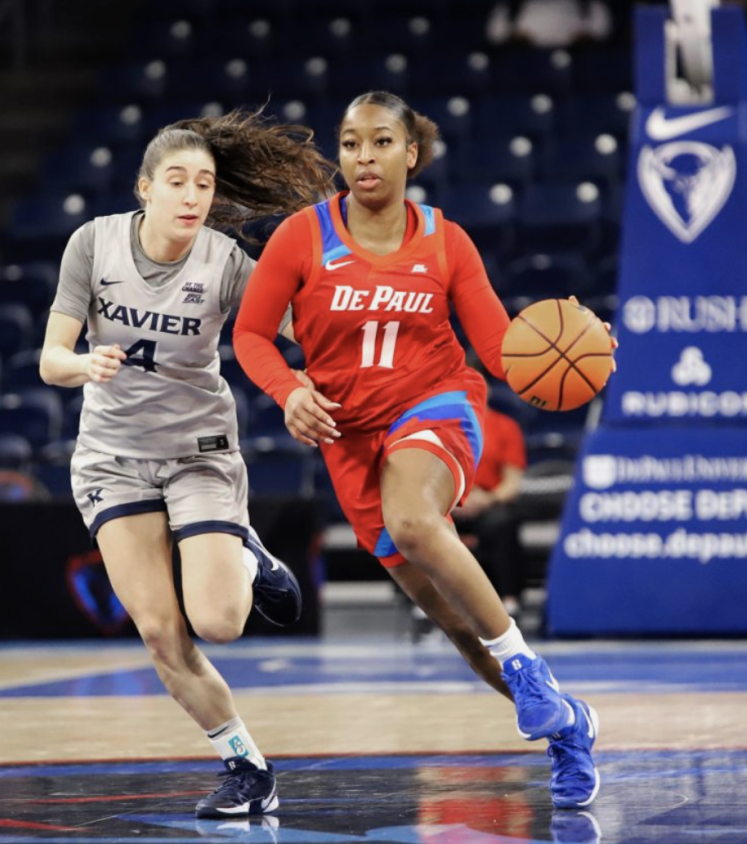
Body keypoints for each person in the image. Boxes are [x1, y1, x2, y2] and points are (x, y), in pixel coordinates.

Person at [233, 91, 610, 810]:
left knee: (413, 519)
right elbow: (251, 335)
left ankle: (528, 673)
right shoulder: (301, 237)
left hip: (434, 405)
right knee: (460, 630)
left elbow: (501, 352)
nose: (362, 157)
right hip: (350, 439)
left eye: (379, 143)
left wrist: (577, 341)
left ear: (411, 153)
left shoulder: (447, 241)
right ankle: (570, 727)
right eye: (349, 144)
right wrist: (288, 391)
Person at [38, 108, 337, 820]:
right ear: (145, 188)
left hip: (197, 453)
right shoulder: (93, 244)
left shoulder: (226, 262)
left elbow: (307, 327)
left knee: (221, 624)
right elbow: (51, 360)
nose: (192, 195)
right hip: (112, 461)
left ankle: (244, 557)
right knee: (159, 635)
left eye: (203, 183)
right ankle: (247, 768)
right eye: (177, 181)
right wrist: (84, 364)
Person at [453, 394, 528, 618]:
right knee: (418, 522)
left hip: (488, 504)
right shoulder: (437, 426)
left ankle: (509, 601)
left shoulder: (505, 426)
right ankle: (425, 604)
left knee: (504, 522)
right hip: (449, 504)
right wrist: (452, 501)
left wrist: (486, 499)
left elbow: (512, 483)